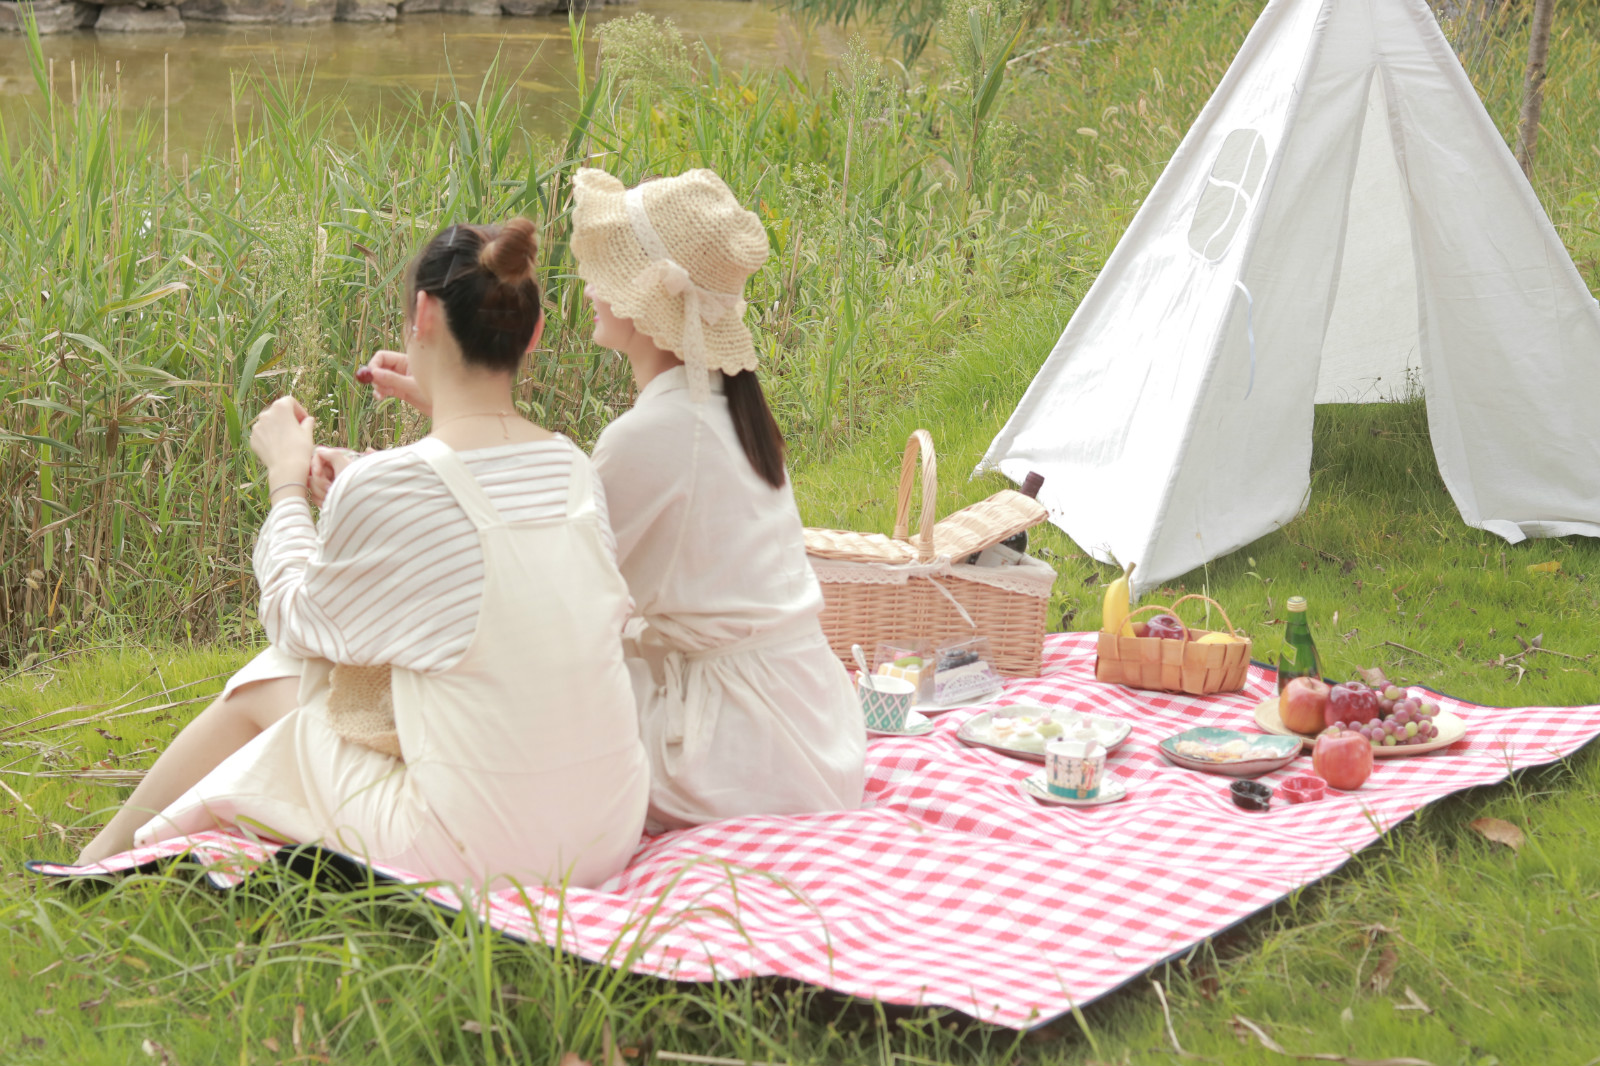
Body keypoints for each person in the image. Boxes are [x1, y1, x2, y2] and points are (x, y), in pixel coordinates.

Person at [74, 220, 649, 890]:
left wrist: (285, 482)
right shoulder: (573, 468)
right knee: (303, 680)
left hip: (491, 847)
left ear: (424, 314)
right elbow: (472, 527)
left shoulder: (399, 482)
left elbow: (295, 618)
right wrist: (363, 484)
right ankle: (105, 853)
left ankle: (102, 859)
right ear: (534, 333)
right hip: (606, 826)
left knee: (280, 671)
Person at [568, 167, 866, 828]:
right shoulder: (729, 413)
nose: (591, 284)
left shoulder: (652, 434)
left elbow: (562, 587)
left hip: (741, 756)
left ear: (649, 298)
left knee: (532, 693)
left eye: (610, 269)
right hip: (812, 727)